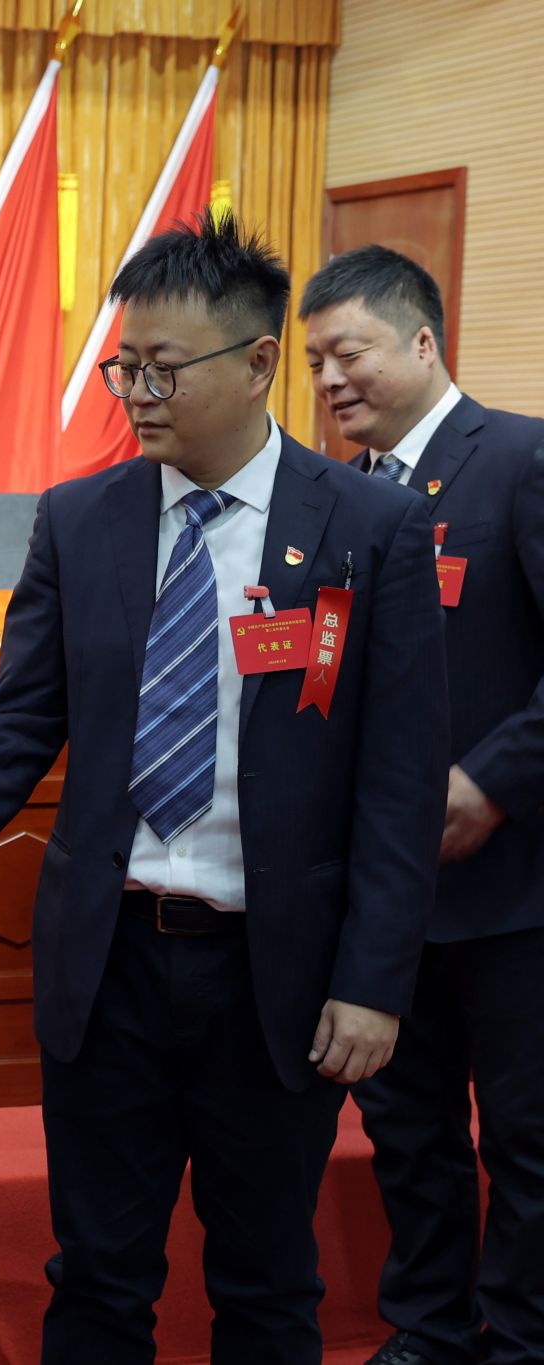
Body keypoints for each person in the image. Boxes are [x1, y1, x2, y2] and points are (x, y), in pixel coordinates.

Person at [0, 214, 448, 1365]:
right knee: (97, 1276)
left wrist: (372, 984)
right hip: (106, 963)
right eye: (123, 368)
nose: (137, 395)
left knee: (266, 1281)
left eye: (164, 369)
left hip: (274, 972)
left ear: (257, 362)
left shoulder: (369, 526)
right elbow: (21, 718)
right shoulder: (79, 519)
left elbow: (399, 780)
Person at [301, 246, 544, 1365]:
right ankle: (427, 1331)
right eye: (312, 362)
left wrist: (491, 780)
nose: (327, 380)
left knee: (527, 1140)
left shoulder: (519, 461)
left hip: (515, 887)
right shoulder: (340, 497)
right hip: (386, 895)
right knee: (407, 1132)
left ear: (422, 341)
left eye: (346, 352)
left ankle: (520, 1341)